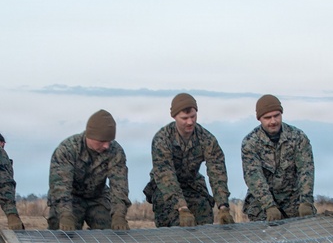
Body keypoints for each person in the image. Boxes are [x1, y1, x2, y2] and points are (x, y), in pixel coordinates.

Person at [143, 92, 234, 227]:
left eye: (193, 116)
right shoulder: (162, 139)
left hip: (192, 185)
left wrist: (223, 206)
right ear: (174, 117)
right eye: (184, 118)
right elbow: (165, 175)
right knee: (172, 221)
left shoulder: (207, 139)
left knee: (204, 217)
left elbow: (217, 172)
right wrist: (182, 208)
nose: (190, 122)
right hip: (165, 189)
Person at [46, 109, 131, 231]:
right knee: (63, 232)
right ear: (90, 136)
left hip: (97, 196)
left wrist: (119, 215)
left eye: (109, 141)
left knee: (113, 232)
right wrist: (65, 214)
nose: (106, 145)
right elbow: (60, 186)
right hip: (70, 197)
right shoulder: (68, 149)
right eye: (102, 141)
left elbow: (119, 185)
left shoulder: (115, 151)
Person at [240, 94, 316, 221]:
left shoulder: (298, 137)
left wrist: (306, 201)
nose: (273, 121)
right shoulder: (250, 142)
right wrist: (269, 205)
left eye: (276, 116)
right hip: (262, 203)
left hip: (293, 200)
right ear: (259, 119)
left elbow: (306, 170)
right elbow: (253, 176)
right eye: (267, 118)